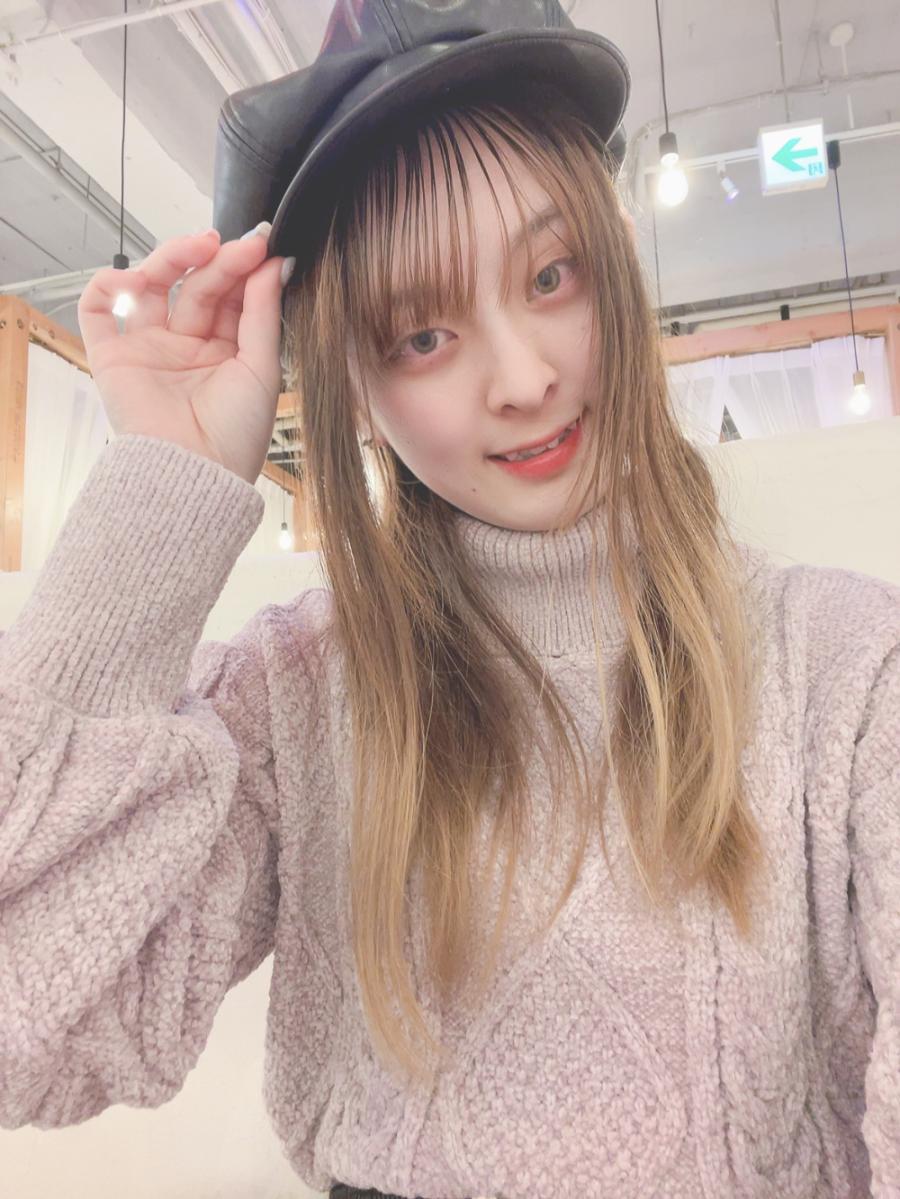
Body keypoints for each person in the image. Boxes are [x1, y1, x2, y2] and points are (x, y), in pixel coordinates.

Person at [1, 2, 898, 1198]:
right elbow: (25, 1028)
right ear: (354, 386)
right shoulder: (295, 699)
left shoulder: (848, 672)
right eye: (422, 334)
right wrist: (159, 498)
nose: (525, 378)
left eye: (552, 275)